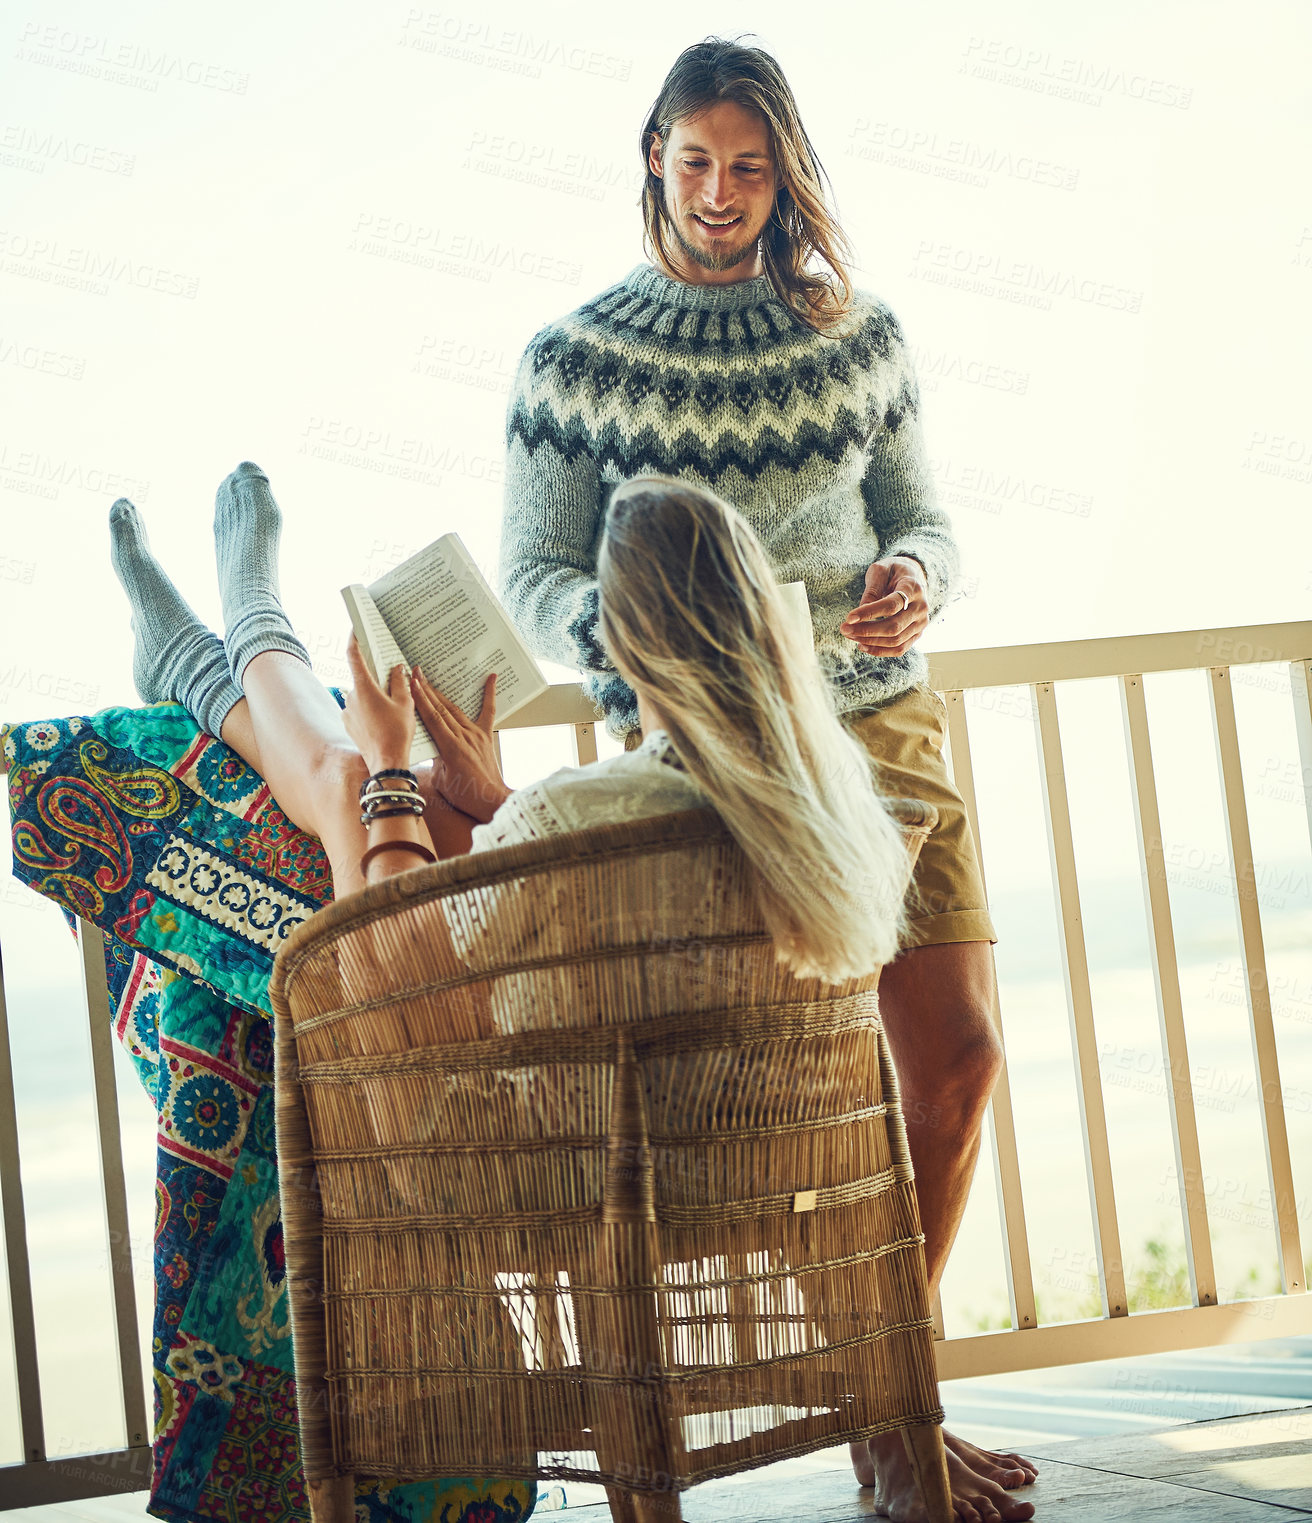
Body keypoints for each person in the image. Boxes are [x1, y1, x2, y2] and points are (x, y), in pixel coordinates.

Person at [497, 35, 1037, 1522]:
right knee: (767, 1108)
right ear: (652, 158)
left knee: (960, 1056)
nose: (722, 194)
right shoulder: (571, 360)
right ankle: (886, 1424)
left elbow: (930, 518)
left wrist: (918, 574)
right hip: (705, 752)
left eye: (749, 166)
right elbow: (534, 572)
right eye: (695, 162)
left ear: (784, 171)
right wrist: (647, 648)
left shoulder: (860, 337)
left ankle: (884, 1404)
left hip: (879, 726)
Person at [107, 463, 912, 986]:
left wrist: (390, 761)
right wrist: (494, 797)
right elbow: (620, 861)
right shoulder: (840, 797)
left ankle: (234, 640)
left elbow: (395, 953)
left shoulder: (578, 811)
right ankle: (207, 657)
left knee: (353, 784)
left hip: (552, 1152)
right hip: (752, 1161)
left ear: (622, 645)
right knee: (430, 797)